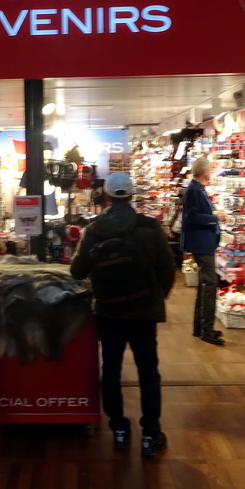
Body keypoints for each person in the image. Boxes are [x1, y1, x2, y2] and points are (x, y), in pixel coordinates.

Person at [70, 171, 177, 457]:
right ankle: (151, 433)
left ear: (106, 195)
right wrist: (155, 297)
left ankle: (118, 428)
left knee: (111, 372)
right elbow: (168, 269)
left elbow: (77, 271)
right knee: (148, 373)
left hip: (108, 311)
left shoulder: (94, 230)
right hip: (143, 312)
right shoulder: (149, 226)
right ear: (132, 195)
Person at [181, 155, 226, 345]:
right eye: (209, 169)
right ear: (204, 171)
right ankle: (206, 329)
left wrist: (215, 214)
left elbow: (200, 213)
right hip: (202, 243)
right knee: (209, 285)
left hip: (204, 242)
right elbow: (192, 217)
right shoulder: (193, 190)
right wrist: (215, 218)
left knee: (205, 285)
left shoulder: (198, 189)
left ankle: (199, 328)